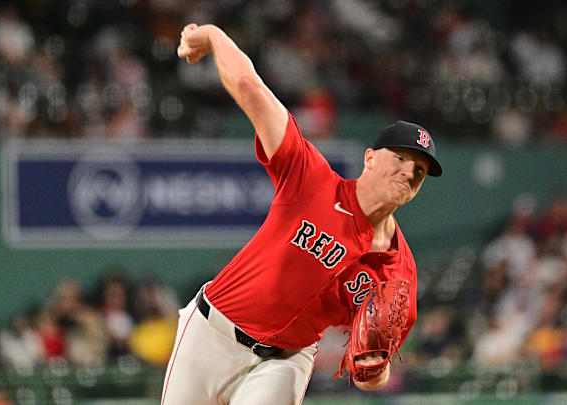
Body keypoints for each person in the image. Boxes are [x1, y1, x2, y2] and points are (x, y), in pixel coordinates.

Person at [162, 23, 443, 405]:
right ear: (371, 158)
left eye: (420, 171)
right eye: (401, 158)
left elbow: (372, 377)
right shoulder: (312, 181)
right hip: (212, 334)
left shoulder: (398, 273)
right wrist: (213, 36)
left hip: (285, 361)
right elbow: (250, 87)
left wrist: (376, 368)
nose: (409, 172)